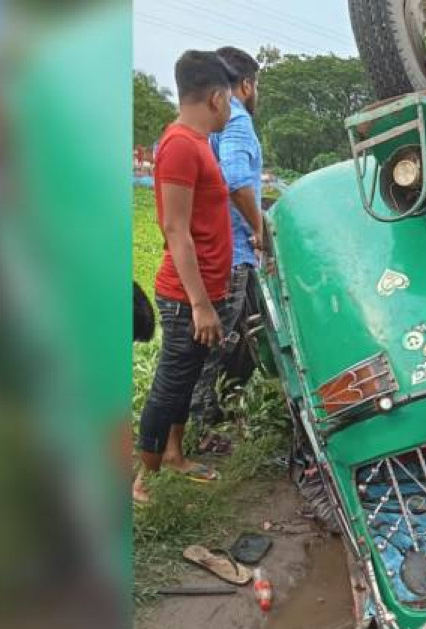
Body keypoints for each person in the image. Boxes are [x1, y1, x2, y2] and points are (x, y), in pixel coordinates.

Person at [133, 51, 237, 503]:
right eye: (229, 100)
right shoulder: (178, 146)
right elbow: (175, 229)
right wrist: (198, 303)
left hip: (204, 292)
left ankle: (173, 455)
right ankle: (143, 478)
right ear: (216, 98)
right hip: (184, 297)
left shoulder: (197, 144)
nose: (230, 109)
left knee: (187, 377)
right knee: (170, 383)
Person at [188, 46, 265, 444]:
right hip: (233, 251)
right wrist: (261, 227)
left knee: (248, 334)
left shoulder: (213, 120)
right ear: (247, 85)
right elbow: (236, 182)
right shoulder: (236, 120)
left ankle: (218, 411)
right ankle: (200, 430)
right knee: (218, 343)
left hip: (226, 249)